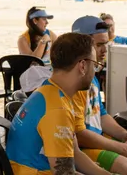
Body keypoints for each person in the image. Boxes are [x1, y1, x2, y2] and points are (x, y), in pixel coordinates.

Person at [7, 32, 114, 175]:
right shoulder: (58, 110)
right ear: (82, 66)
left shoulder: (49, 89)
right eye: (94, 65)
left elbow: (74, 153)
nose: (94, 72)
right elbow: (64, 173)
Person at [71, 16, 127, 175]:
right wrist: (123, 147)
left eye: (106, 43)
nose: (105, 50)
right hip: (81, 147)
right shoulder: (75, 81)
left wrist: (125, 134)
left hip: (96, 138)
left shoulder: (92, 75)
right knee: (124, 166)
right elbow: (79, 135)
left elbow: (100, 114)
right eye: (99, 44)